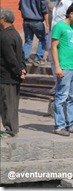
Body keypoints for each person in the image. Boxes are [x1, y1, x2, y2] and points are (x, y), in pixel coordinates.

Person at [51, 3, 73, 136]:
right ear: (71, 14)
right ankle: (59, 125)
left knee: (72, 97)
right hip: (64, 66)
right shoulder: (59, 26)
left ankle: (71, 123)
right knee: (61, 96)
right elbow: (54, 47)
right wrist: (57, 67)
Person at [0, 8, 27, 138]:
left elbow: (10, 57)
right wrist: (22, 69)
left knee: (7, 104)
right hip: (13, 75)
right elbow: (21, 54)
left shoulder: (4, 36)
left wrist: (18, 71)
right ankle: (12, 128)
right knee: (12, 104)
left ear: (3, 19)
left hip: (7, 76)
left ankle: (10, 129)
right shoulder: (15, 34)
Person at [46, 0, 73, 94]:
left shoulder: (68, 3)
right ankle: (57, 83)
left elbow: (71, 19)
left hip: (63, 35)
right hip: (53, 33)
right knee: (52, 59)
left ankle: (62, 85)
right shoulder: (56, 3)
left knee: (59, 59)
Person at [19, 0, 49, 64]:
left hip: (26, 21)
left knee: (28, 41)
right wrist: (47, 25)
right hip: (37, 21)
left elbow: (20, 7)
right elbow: (45, 11)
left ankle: (24, 58)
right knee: (43, 39)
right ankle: (38, 57)